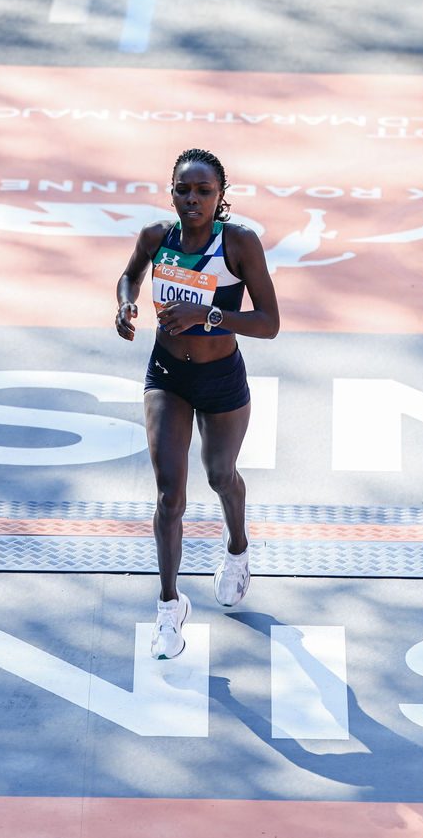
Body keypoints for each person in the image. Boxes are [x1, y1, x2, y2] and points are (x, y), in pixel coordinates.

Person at [114, 148, 280, 659]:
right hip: (167, 374)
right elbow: (129, 275)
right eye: (183, 189)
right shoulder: (155, 237)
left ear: (220, 196)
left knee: (220, 476)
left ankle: (237, 550)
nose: (192, 199)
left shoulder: (238, 243)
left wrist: (206, 316)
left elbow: (269, 323)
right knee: (170, 496)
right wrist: (126, 303)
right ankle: (169, 606)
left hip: (220, 378)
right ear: (172, 193)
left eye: (204, 191)